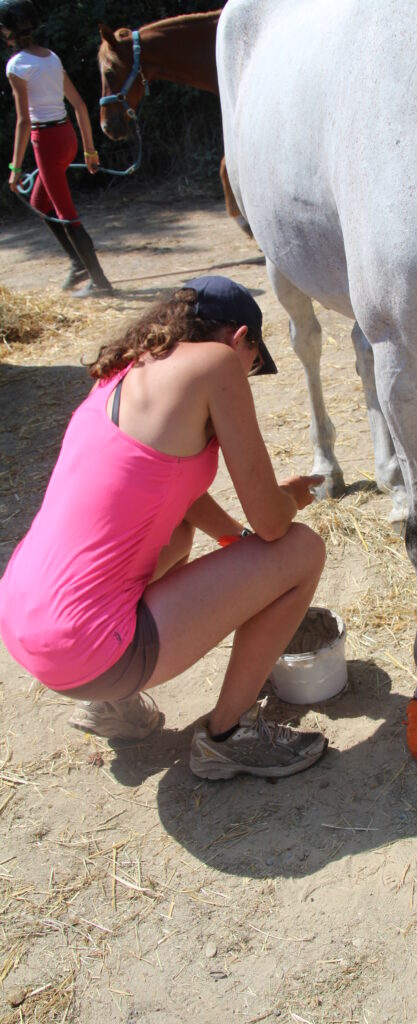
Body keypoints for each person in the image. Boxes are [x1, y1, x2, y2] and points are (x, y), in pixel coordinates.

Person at [0, 275, 329, 780]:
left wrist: (234, 546)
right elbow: (271, 522)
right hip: (87, 647)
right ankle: (227, 735)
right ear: (240, 339)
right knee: (302, 549)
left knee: (177, 534)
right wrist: (293, 496)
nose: (249, 372)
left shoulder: (127, 369)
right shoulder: (218, 364)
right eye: (255, 362)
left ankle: (112, 706)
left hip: (24, 621)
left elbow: (172, 492)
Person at [1, 0, 113, 297]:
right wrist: (89, 151)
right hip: (67, 137)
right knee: (41, 205)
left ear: (9, 31)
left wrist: (14, 169)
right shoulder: (51, 57)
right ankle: (78, 264)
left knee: (66, 214)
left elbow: (24, 121)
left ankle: (100, 281)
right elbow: (78, 103)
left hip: (46, 142)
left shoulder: (16, 66)